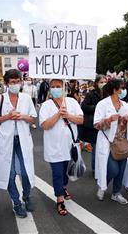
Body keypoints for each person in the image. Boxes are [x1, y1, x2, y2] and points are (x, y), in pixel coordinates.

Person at [0, 69, 37, 218]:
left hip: (22, 140)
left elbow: (33, 119)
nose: (15, 84)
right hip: (7, 141)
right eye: (12, 82)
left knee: (26, 172)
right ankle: (16, 202)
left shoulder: (26, 98)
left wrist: (22, 116)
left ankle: (27, 196)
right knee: (9, 174)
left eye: (17, 81)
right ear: (6, 83)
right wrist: (8, 116)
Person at [39, 79, 83, 215]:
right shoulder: (46, 106)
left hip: (70, 146)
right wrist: (58, 114)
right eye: (53, 87)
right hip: (54, 147)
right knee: (57, 173)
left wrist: (68, 115)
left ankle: (63, 187)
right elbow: (45, 125)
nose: (55, 89)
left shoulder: (72, 102)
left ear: (64, 88)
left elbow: (81, 120)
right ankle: (60, 200)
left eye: (58, 86)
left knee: (65, 172)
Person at [93, 79, 128, 204]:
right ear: (114, 90)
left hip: (122, 142)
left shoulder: (126, 105)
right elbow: (96, 125)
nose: (123, 91)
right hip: (108, 143)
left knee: (121, 170)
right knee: (113, 169)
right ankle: (102, 186)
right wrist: (108, 120)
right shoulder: (102, 104)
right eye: (120, 88)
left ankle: (116, 193)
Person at [79, 74, 107, 174]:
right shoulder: (91, 94)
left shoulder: (108, 93)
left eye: (105, 82)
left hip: (106, 124)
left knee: (105, 148)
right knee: (96, 148)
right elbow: (84, 106)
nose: (103, 84)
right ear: (97, 83)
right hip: (94, 125)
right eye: (101, 82)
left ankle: (103, 167)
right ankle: (95, 169)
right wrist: (97, 108)